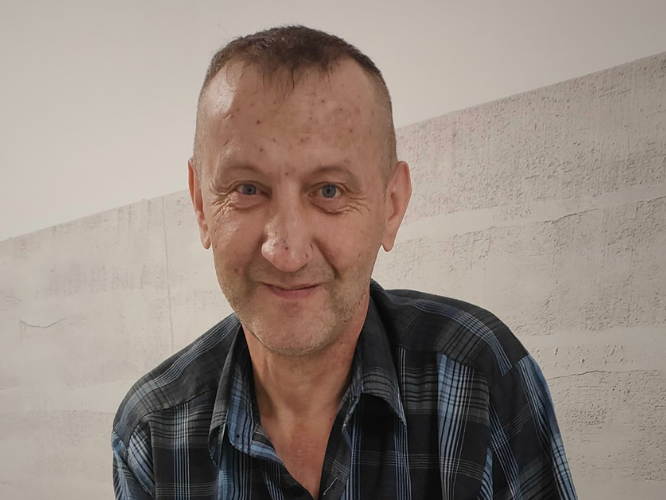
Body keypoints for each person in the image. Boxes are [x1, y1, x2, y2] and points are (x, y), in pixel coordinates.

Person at [111, 25, 578, 500]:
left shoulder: (482, 377)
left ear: (391, 206)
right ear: (200, 205)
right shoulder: (151, 433)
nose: (286, 252)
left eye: (329, 190)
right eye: (247, 189)